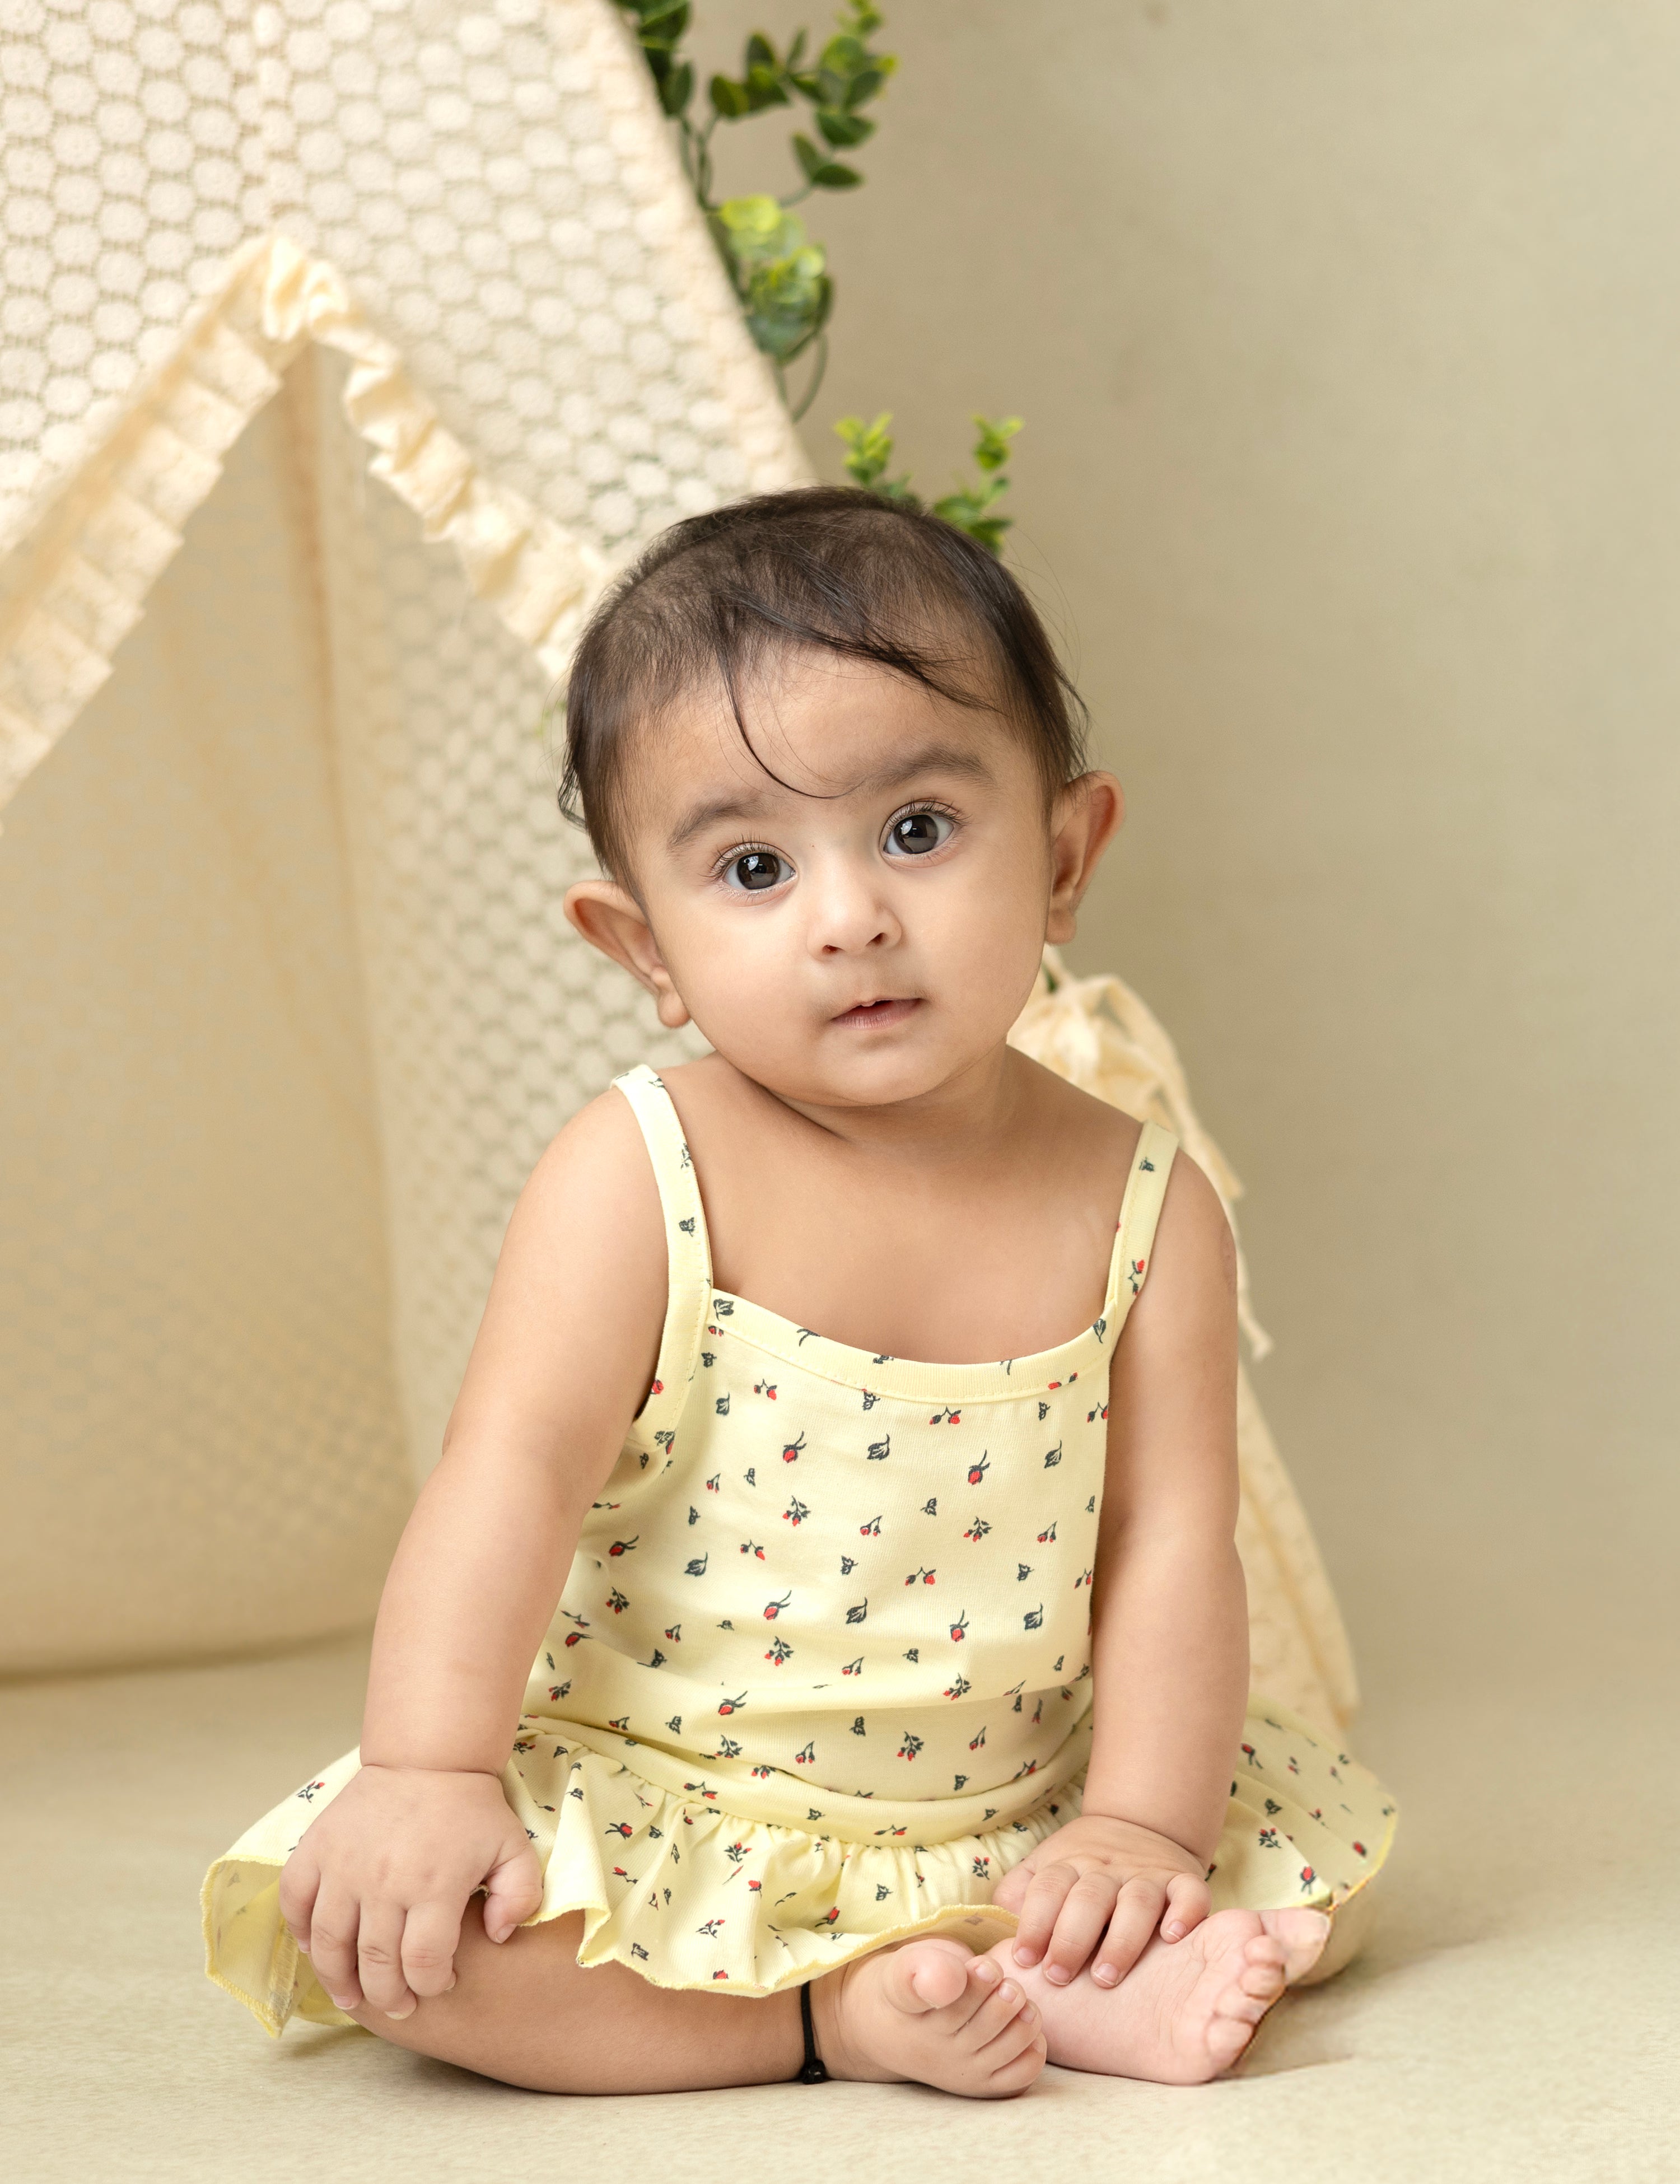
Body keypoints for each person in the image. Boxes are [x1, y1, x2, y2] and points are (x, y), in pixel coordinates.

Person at [203, 487, 1394, 2097]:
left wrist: (1135, 1823)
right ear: (647, 948)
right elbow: (513, 1472)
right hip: (678, 1792)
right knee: (420, 1951)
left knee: (1272, 1885)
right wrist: (431, 1766)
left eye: (917, 829)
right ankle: (819, 2017)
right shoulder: (639, 1172)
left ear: (1061, 853)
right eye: (755, 866)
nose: (853, 919)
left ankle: (1054, 1958)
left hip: (1012, 1804)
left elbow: (1171, 1536)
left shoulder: (1147, 1202)